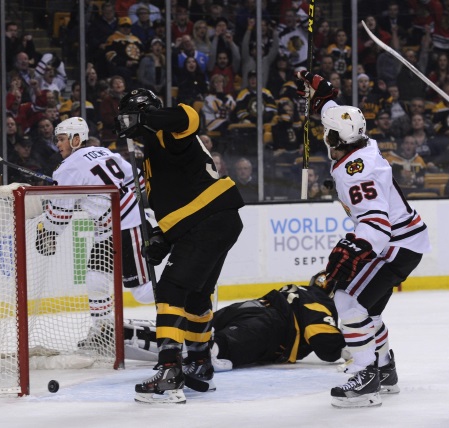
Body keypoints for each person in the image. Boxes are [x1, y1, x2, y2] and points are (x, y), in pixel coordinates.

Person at [296, 70, 430, 408]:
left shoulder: (359, 173)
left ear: (334, 140)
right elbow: (335, 112)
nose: (323, 133)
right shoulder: (358, 142)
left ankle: (365, 374)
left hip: (394, 242)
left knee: (348, 301)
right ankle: (385, 369)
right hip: (405, 239)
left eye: (325, 132)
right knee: (366, 310)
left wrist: (356, 246)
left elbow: (376, 222)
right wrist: (319, 89)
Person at [115, 88, 244, 404]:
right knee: (196, 294)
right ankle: (199, 363)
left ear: (145, 113)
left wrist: (148, 117)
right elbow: (180, 202)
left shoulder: (166, 132)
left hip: (209, 221)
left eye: (130, 115)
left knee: (171, 292)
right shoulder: (155, 150)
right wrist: (163, 235)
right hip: (216, 220)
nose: (125, 123)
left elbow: (190, 115)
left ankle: (170, 369)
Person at [34, 117, 155, 352]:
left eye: (61, 139)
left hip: (128, 227)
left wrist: (46, 233)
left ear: (76, 139)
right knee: (96, 280)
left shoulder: (67, 169)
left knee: (141, 292)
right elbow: (138, 178)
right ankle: (103, 332)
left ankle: (189, 298)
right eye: (57, 140)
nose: (58, 144)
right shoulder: (102, 151)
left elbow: (59, 215)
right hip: (110, 229)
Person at [124, 272, 345, 368]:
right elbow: (325, 343)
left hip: (249, 306)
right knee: (214, 349)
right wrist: (347, 348)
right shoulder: (320, 303)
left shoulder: (301, 291)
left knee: (197, 332)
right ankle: (139, 341)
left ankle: (131, 332)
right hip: (268, 327)